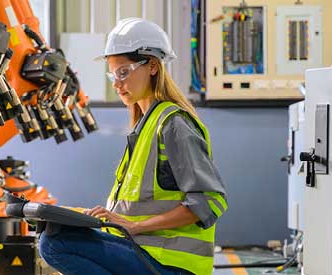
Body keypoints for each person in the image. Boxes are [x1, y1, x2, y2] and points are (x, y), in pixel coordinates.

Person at [39, 17, 227, 275]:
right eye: (113, 74)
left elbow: (210, 200)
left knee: (55, 243)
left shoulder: (173, 125)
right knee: (58, 231)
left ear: (152, 66)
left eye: (123, 72)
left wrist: (134, 226)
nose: (116, 83)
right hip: (144, 250)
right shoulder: (143, 127)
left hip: (171, 264)